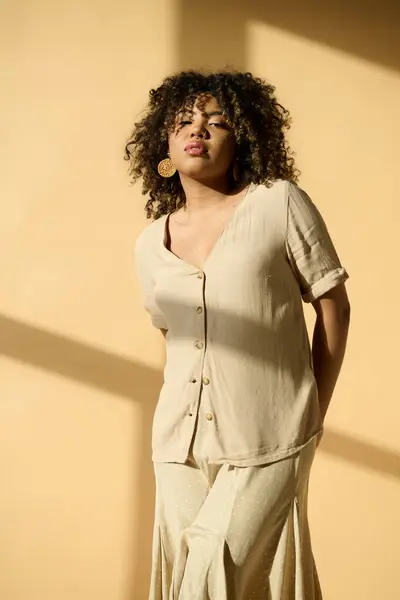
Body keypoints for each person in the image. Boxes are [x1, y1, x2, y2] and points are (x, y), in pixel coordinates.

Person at [126, 70, 350, 600]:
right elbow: (175, 341)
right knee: (197, 578)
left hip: (271, 432)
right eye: (183, 121)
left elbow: (333, 303)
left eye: (216, 121)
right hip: (177, 446)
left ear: (241, 137)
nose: (197, 129)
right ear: (166, 143)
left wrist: (314, 406)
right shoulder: (148, 244)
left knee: (213, 570)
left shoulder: (278, 203)